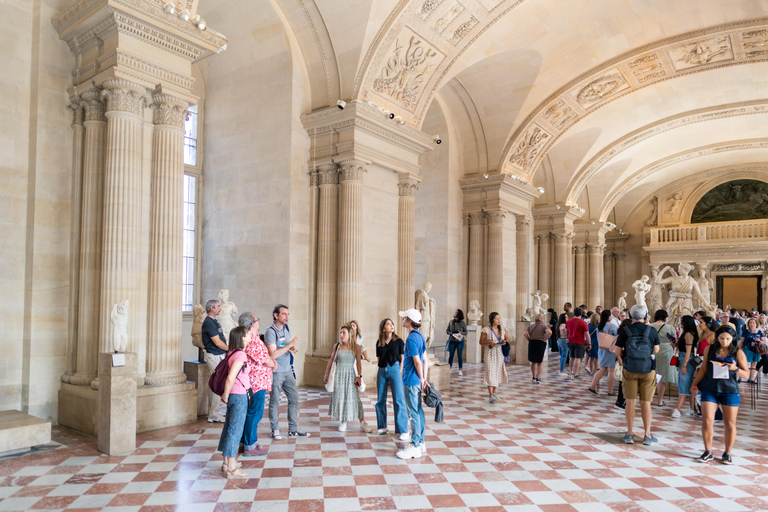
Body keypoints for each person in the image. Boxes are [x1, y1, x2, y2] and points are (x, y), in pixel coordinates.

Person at [692, 326, 749, 464]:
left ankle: (727, 453)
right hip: (710, 388)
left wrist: (735, 368)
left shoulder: (738, 352)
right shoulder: (709, 349)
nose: (725, 341)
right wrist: (694, 384)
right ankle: (708, 451)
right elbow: (704, 368)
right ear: (717, 338)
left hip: (729, 390)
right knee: (707, 420)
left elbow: (746, 375)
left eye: (728, 339)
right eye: (722, 338)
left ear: (733, 339)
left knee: (729, 423)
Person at [614, 305, 660, 446]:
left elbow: (617, 351)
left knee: (630, 402)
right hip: (647, 370)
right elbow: (656, 350)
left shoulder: (625, 331)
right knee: (646, 403)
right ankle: (647, 434)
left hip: (630, 369)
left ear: (630, 315)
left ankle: (629, 434)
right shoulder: (651, 330)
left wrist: (624, 359)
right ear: (645, 315)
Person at [265, 304, 308, 440]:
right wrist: (290, 344)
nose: (287, 317)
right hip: (276, 372)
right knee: (275, 401)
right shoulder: (270, 331)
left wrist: (291, 348)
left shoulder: (286, 328)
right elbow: (272, 355)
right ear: (276, 315)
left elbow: (283, 345)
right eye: (284, 314)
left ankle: (293, 429)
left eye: (288, 314)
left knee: (294, 398)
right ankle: (275, 429)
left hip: (287, 370)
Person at [238, 312, 275, 457]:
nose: (259, 322)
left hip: (256, 381)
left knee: (251, 413)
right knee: (254, 413)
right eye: (257, 320)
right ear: (252, 324)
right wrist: (272, 363)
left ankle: (244, 443)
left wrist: (271, 362)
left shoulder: (249, 338)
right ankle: (250, 445)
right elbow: (264, 359)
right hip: (256, 382)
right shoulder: (252, 338)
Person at [217, 325, 251, 478]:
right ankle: (231, 466)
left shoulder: (231, 353)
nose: (250, 335)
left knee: (229, 428)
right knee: (235, 430)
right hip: (238, 395)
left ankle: (226, 462)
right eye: (248, 333)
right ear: (242, 338)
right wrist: (225, 394)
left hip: (233, 395)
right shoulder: (241, 355)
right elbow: (231, 377)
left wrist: (226, 395)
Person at [396, 308, 429, 460]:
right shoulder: (420, 336)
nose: (402, 320)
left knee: (413, 413)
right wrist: (424, 378)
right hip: (416, 380)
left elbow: (417, 361)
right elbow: (424, 360)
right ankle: (421, 442)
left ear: (409, 321)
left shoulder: (410, 339)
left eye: (404, 318)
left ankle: (415, 445)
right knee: (418, 411)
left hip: (411, 380)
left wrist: (422, 378)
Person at [324, 325, 368, 432]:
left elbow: (358, 363)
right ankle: (343, 421)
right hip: (339, 375)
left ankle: (362, 422)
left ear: (350, 335)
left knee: (354, 398)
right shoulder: (337, 346)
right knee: (340, 397)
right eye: (340, 333)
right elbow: (331, 360)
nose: (341, 335)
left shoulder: (357, 347)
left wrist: (359, 376)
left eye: (344, 333)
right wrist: (327, 373)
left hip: (351, 375)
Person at [374, 318, 409, 439]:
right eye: (388, 324)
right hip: (382, 370)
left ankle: (403, 430)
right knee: (380, 399)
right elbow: (378, 358)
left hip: (394, 369)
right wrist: (383, 369)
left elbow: (402, 358)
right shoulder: (379, 342)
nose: (391, 325)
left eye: (392, 323)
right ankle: (382, 426)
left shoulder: (399, 341)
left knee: (398, 399)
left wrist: (399, 371)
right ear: (384, 328)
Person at [202, 298, 229, 423]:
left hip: (219, 355)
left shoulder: (214, 321)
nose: (220, 308)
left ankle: (215, 411)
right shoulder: (208, 322)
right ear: (211, 308)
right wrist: (230, 349)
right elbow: (217, 342)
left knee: (217, 382)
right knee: (216, 382)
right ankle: (213, 414)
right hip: (213, 355)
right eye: (218, 306)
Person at [672, 315, 699, 418]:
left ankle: (678, 409)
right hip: (683, 357)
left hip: (686, 359)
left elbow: (688, 351)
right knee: (687, 383)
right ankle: (692, 408)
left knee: (683, 384)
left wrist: (684, 365)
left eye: (681, 321)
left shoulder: (688, 334)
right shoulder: (686, 333)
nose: (680, 323)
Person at [480, 312, 509, 403]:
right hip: (489, 353)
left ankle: (494, 393)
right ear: (492, 320)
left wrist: (504, 341)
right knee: (490, 372)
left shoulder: (503, 329)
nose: (499, 320)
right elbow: (481, 342)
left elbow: (507, 340)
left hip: (499, 353)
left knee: (497, 372)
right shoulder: (486, 330)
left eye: (499, 318)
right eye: (497, 318)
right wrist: (489, 342)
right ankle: (491, 395)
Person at [588, 310, 618, 396]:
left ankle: (592, 386)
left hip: (601, 349)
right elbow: (617, 336)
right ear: (609, 317)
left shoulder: (599, 326)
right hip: (610, 350)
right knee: (611, 371)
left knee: (602, 369)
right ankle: (610, 391)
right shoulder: (612, 326)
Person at [650, 309, 677, 407]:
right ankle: (659, 401)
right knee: (662, 377)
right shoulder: (670, 328)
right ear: (665, 317)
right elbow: (674, 342)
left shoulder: (650, 326)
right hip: (666, 351)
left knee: (652, 375)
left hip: (653, 350)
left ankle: (649, 398)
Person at [523, 314, 551, 383]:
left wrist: (529, 339)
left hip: (532, 343)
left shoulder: (530, 326)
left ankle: (534, 377)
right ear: (541, 319)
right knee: (540, 362)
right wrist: (545, 338)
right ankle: (538, 378)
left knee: (533, 361)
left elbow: (525, 333)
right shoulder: (543, 326)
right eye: (543, 318)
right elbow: (550, 332)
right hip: (540, 343)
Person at [566, 307, 590, 379]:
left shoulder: (569, 321)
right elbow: (587, 334)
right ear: (581, 314)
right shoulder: (583, 323)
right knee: (578, 358)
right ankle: (575, 374)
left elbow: (567, 331)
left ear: (574, 313)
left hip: (571, 341)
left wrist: (568, 337)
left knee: (572, 357)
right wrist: (589, 343)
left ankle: (571, 372)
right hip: (580, 342)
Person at [740, 317, 763, 383]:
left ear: (756, 324)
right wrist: (739, 349)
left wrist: (759, 340)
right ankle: (740, 377)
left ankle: (750, 379)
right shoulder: (746, 331)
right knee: (745, 363)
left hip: (756, 349)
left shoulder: (759, 332)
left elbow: (763, 341)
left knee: (754, 364)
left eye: (753, 322)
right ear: (748, 324)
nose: (752, 324)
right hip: (747, 348)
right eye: (750, 322)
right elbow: (741, 341)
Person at [446, 309, 468, 375]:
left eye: (456, 312)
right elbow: (447, 330)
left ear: (459, 314)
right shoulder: (451, 322)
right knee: (451, 355)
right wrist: (450, 333)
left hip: (460, 341)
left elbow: (466, 332)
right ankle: (449, 368)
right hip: (452, 340)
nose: (455, 313)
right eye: (455, 312)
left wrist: (461, 333)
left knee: (459, 355)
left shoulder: (462, 323)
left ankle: (460, 369)